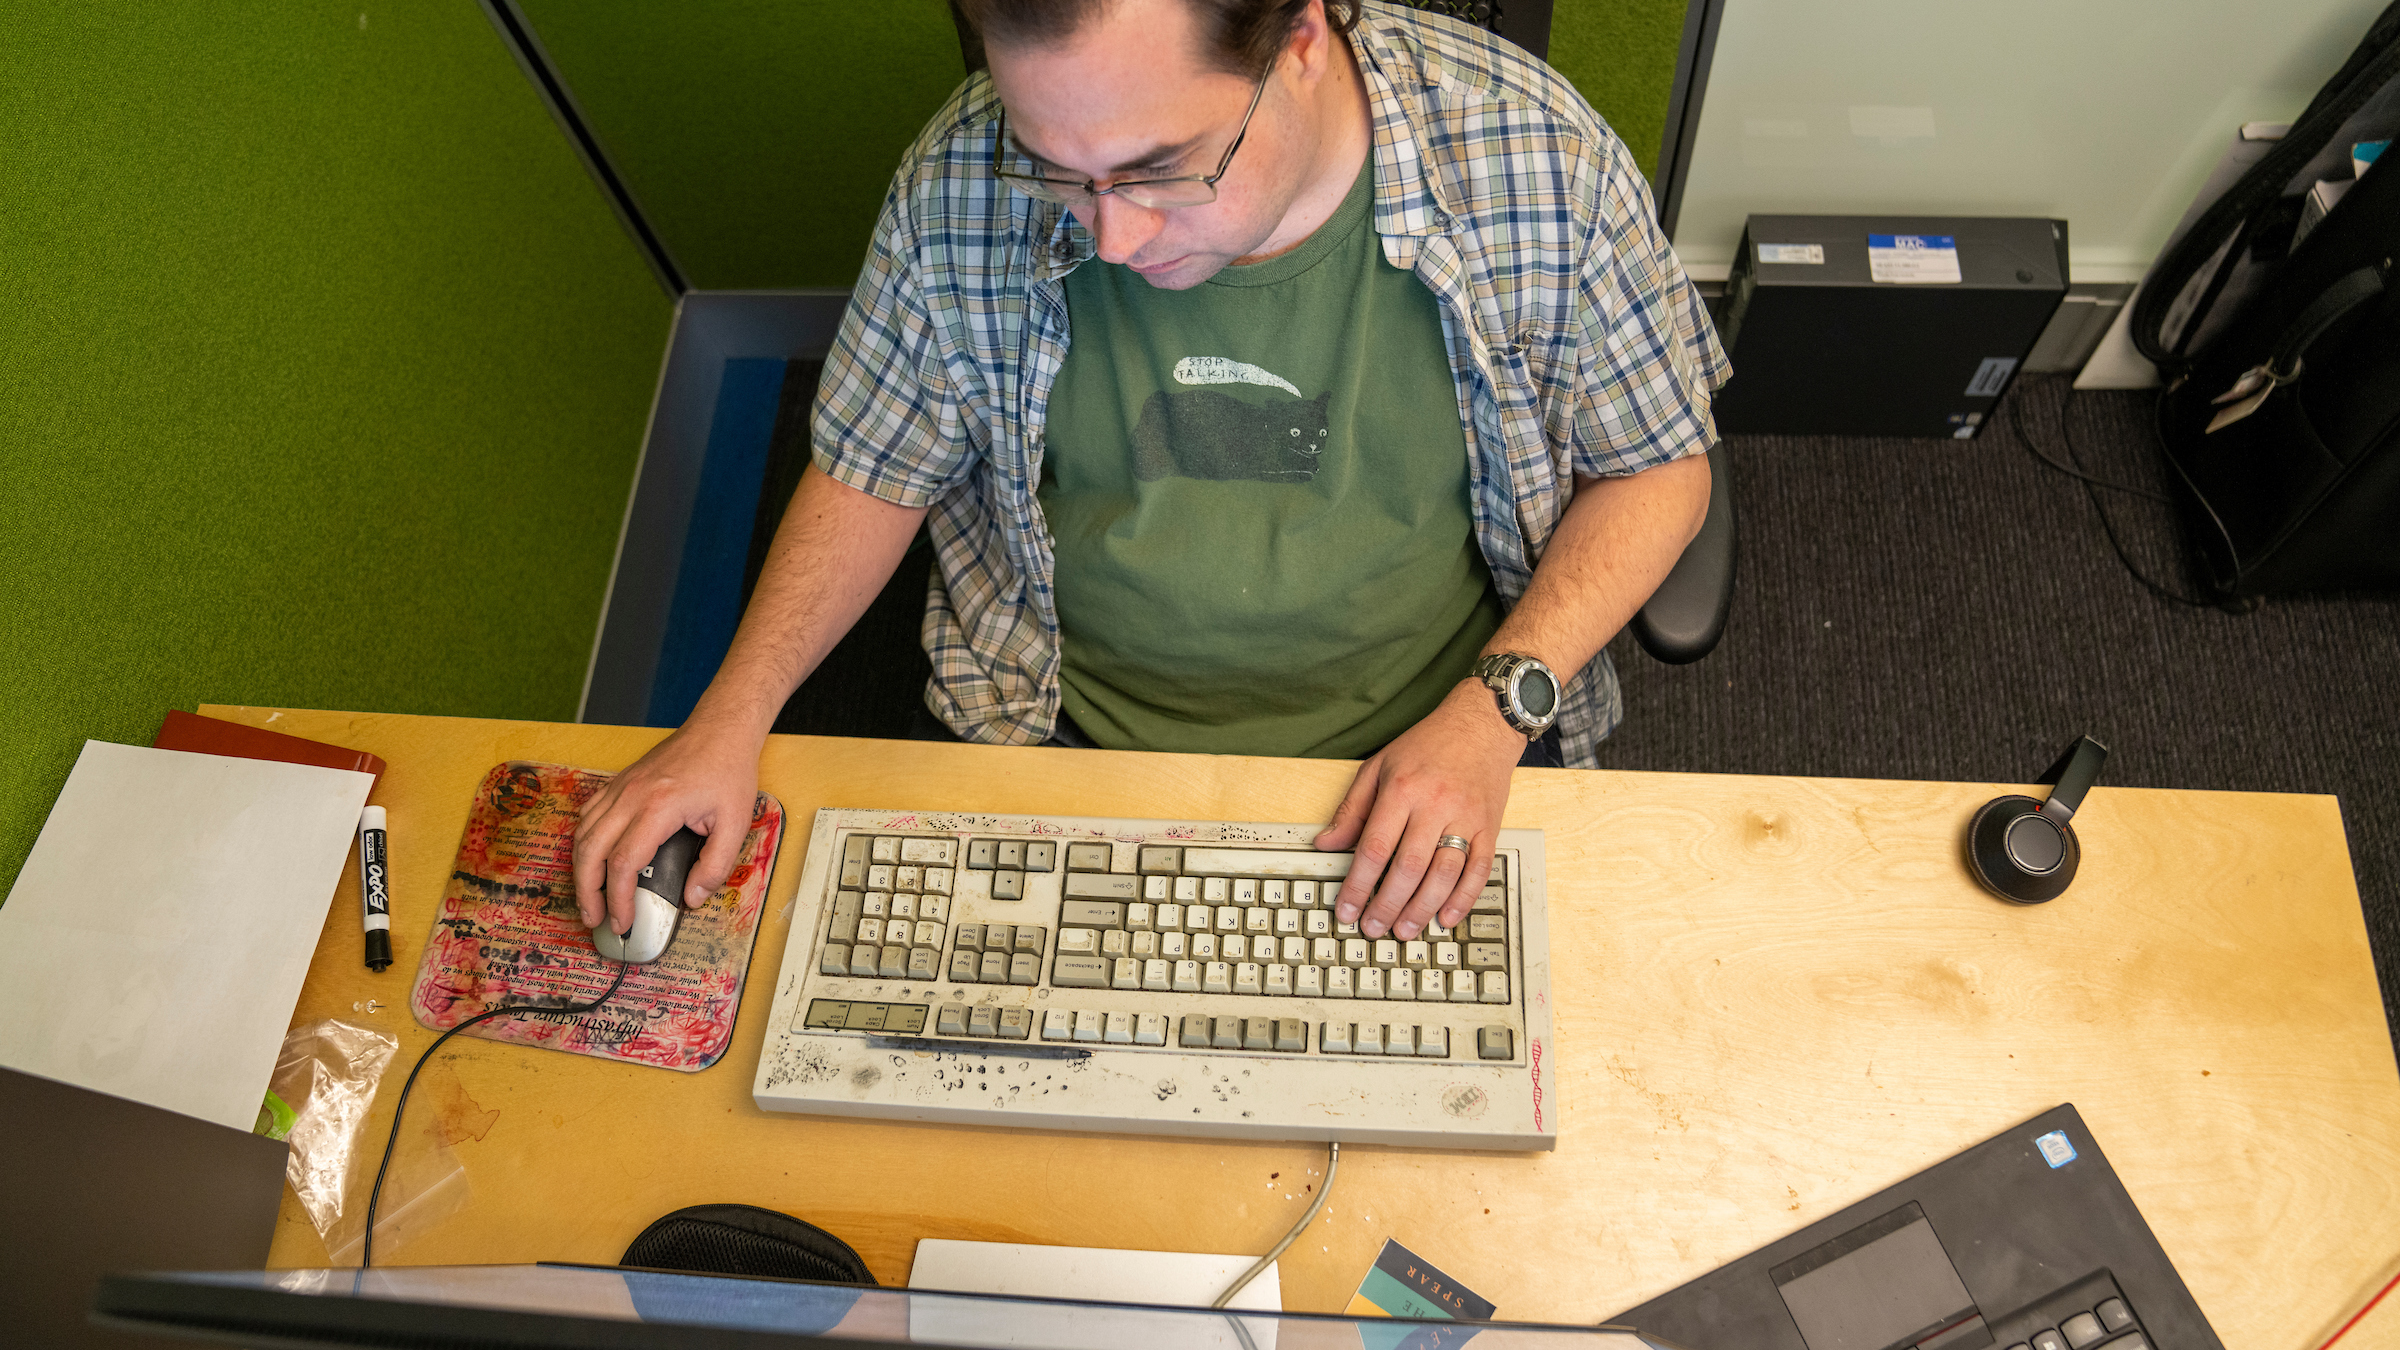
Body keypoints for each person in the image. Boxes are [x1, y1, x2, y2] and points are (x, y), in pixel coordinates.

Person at [574, 0, 1727, 953]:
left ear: (1304, 40)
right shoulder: (958, 184)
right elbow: (876, 464)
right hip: (1070, 748)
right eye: (1059, 175)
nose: (1111, 240)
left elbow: (1660, 471)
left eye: (1162, 170)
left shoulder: (1538, 166)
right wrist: (726, 718)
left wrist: (1489, 719)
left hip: (1430, 756)